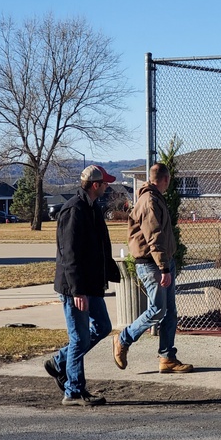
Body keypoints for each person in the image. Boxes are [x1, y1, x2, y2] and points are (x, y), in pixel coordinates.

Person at [45, 164, 121, 406]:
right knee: (79, 338)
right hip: (74, 288)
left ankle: (60, 362)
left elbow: (98, 247)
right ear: (95, 185)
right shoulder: (74, 211)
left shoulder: (92, 208)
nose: (108, 186)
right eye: (105, 183)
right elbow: (69, 256)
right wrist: (77, 290)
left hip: (91, 285)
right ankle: (74, 391)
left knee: (102, 327)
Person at [112, 162, 194, 374]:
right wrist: (164, 268)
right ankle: (123, 338)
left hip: (163, 261)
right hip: (152, 264)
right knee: (157, 309)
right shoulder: (149, 201)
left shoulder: (155, 197)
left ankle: (167, 358)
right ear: (165, 179)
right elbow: (154, 237)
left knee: (169, 312)